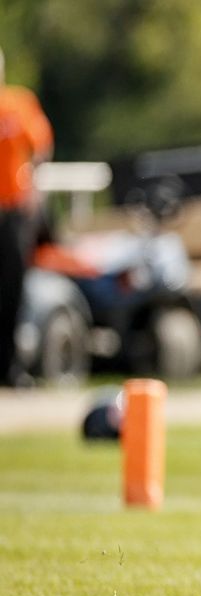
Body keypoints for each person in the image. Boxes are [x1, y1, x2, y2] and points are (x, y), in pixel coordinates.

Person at [0, 47, 53, 386]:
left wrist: (34, 186)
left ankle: (8, 367)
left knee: (11, 292)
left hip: (11, 212)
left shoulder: (17, 103)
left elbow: (41, 145)